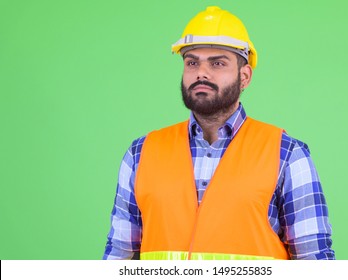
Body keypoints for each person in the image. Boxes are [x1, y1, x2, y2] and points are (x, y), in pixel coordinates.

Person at [103, 6, 335, 260]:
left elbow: (315, 262)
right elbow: (119, 257)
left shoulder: (288, 155)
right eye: (192, 62)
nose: (201, 72)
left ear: (244, 77)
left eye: (217, 63)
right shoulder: (140, 153)